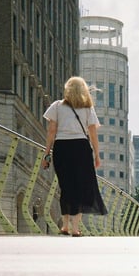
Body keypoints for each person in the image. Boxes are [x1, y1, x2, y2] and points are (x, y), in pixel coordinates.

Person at [42, 77, 107, 236]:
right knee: (80, 187)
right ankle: (76, 228)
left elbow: (51, 131)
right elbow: (92, 134)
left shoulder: (56, 106)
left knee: (66, 186)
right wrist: (97, 155)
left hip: (62, 148)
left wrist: (47, 153)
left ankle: (64, 226)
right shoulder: (87, 108)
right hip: (81, 148)